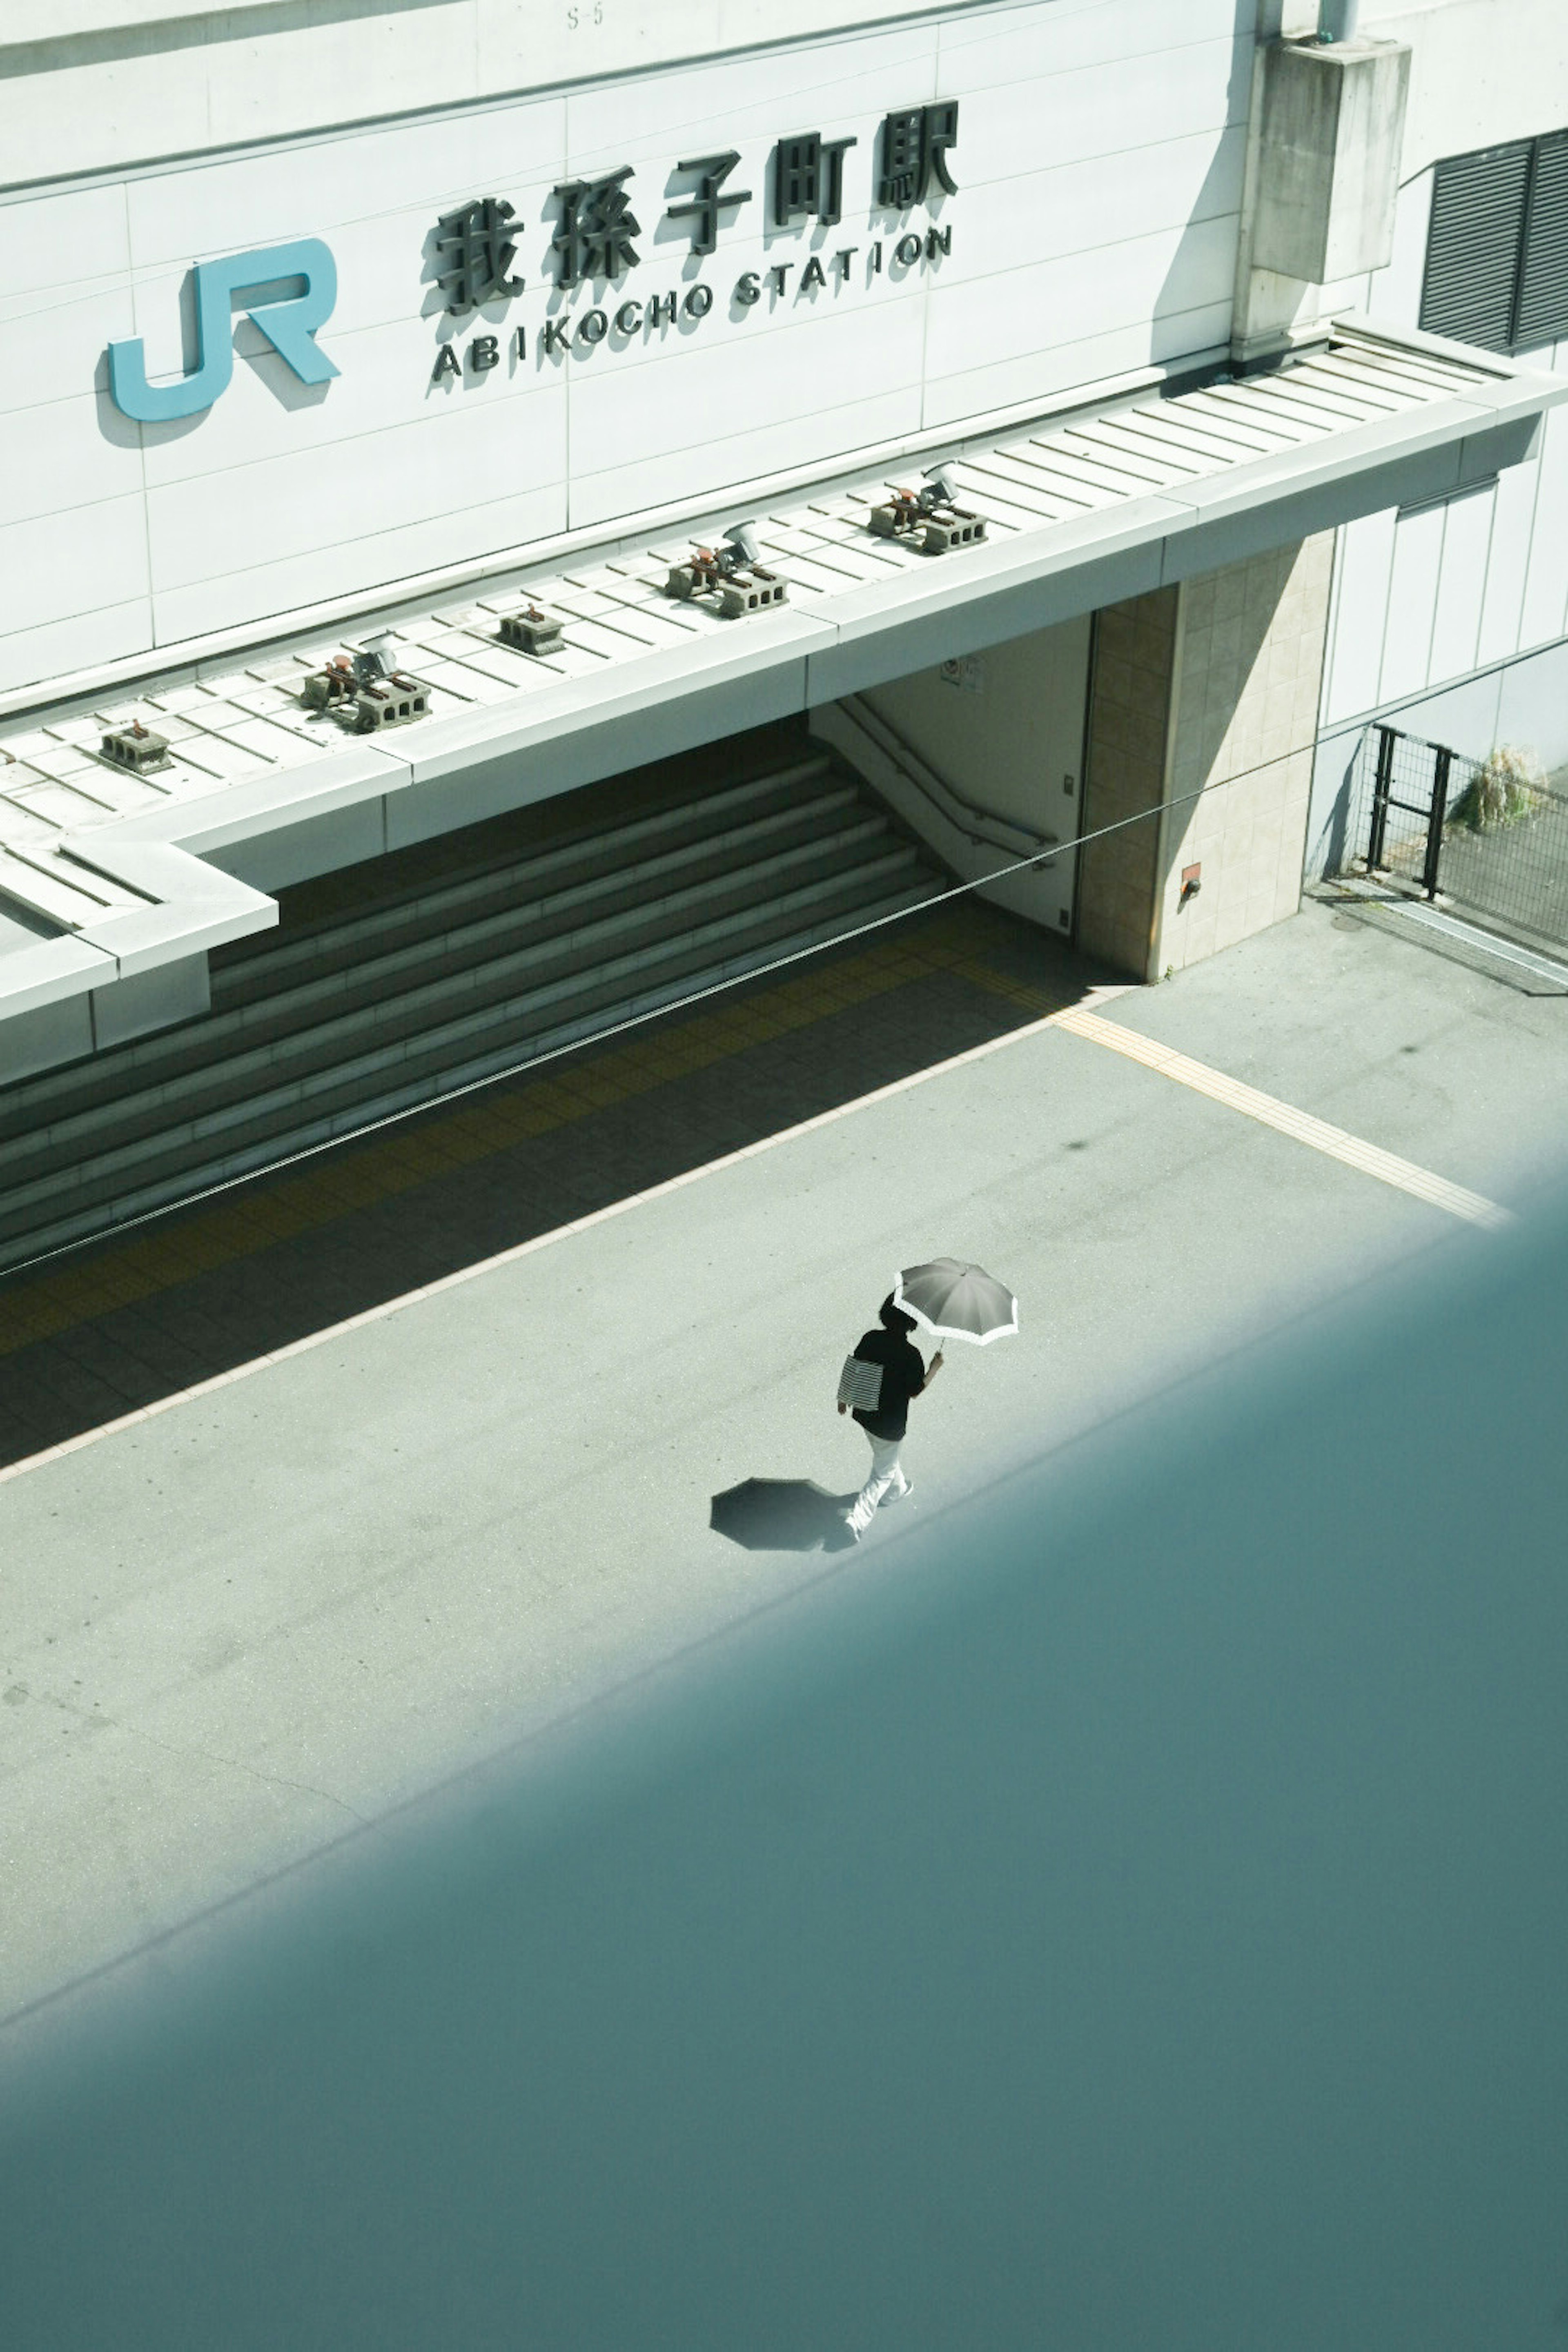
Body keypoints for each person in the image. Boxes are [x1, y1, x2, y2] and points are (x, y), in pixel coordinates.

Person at [839, 1295, 943, 1541]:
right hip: (890, 1424)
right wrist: (934, 1368)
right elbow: (915, 1391)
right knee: (882, 1474)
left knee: (886, 1457)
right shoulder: (911, 1355)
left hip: (865, 1413)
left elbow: (854, 1365)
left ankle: (898, 1490)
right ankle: (856, 1520)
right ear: (911, 1324)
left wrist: (843, 1399)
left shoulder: (871, 1338)